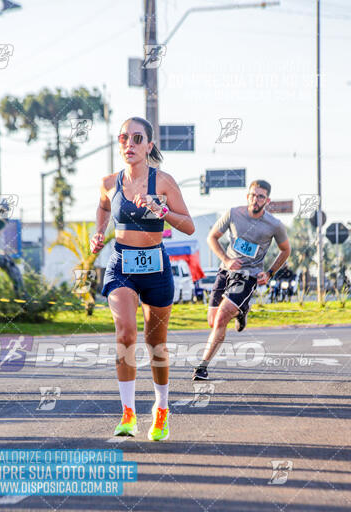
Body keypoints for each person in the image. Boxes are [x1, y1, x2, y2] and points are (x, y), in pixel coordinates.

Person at [90, 117, 194, 440]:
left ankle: (161, 408)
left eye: (137, 138)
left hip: (155, 266)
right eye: (123, 138)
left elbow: (189, 225)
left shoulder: (163, 182)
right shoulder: (109, 181)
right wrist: (99, 232)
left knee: (156, 344)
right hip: (121, 263)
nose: (129, 144)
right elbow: (104, 208)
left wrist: (161, 211)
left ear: (149, 145)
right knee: (125, 332)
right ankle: (128, 413)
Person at [192, 179, 291, 380]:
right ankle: (242, 310)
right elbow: (212, 237)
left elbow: (285, 250)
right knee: (212, 321)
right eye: (253, 195)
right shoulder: (233, 213)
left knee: (221, 317)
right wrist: (227, 259)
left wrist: (270, 272)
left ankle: (202, 366)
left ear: (267, 200)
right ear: (248, 196)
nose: (256, 199)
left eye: (261, 196)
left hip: (248, 276)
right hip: (225, 271)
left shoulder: (274, 225)